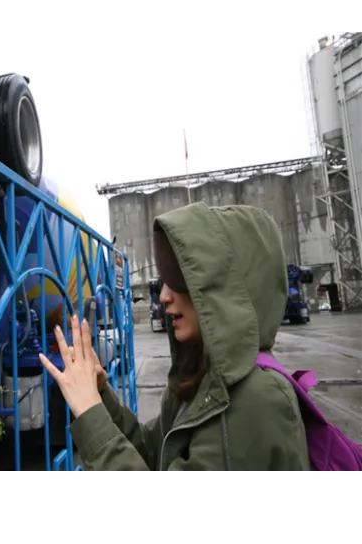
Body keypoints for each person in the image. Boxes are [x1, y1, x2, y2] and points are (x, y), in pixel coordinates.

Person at [39, 202, 310, 471]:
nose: (164, 296)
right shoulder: (204, 378)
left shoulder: (256, 401)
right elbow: (152, 452)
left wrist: (90, 414)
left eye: (179, 280)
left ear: (226, 289)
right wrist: (101, 395)